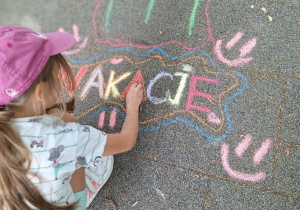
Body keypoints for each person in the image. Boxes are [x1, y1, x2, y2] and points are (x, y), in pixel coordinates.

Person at [0, 25, 143, 209]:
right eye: (57, 75)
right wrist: (132, 106)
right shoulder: (63, 140)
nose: (61, 79)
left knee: (62, 123)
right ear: (41, 92)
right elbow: (127, 141)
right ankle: (81, 200)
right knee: (73, 152)